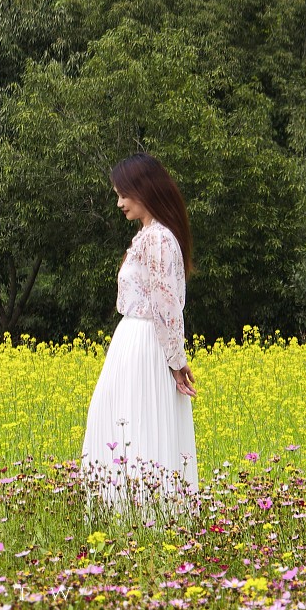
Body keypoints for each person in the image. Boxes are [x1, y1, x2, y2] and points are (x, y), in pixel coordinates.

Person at [80, 152, 199, 520]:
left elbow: (166, 306)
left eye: (123, 194)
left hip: (147, 344)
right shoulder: (149, 236)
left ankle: (143, 515)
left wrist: (176, 362)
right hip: (135, 343)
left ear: (143, 190)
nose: (119, 203)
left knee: (138, 423)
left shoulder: (158, 239)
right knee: (128, 422)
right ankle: (130, 514)